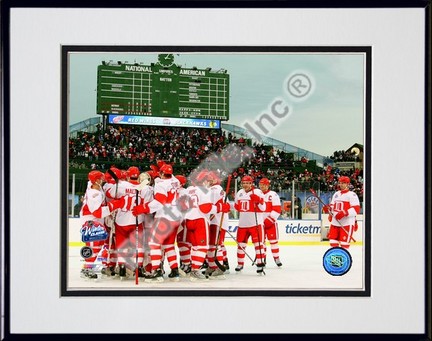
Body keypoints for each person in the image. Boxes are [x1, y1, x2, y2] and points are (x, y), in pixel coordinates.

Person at [132, 163, 182, 282]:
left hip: (164, 217)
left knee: (154, 244)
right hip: (175, 217)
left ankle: (156, 270)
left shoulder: (160, 185)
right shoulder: (176, 181)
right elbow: (169, 176)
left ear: (161, 174)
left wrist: (143, 208)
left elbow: (159, 202)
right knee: (169, 245)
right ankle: (174, 270)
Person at [79, 170, 130, 279]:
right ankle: (86, 269)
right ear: (96, 180)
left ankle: (88, 267)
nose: (103, 180)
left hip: (95, 221)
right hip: (91, 221)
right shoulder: (95, 194)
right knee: (94, 246)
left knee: (98, 244)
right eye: (101, 178)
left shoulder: (94, 186)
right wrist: (113, 205)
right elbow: (97, 212)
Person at [233, 175, 266, 274]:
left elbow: (263, 208)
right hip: (242, 224)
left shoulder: (258, 192)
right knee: (241, 245)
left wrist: (258, 201)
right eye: (244, 183)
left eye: (247, 183)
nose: (245, 185)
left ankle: (260, 264)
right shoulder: (239, 193)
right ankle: (240, 264)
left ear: (251, 183)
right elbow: (237, 207)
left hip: (255, 224)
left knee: (258, 244)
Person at [323, 176, 360, 249]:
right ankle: (334, 259)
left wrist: (344, 213)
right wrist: (329, 208)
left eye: (343, 183)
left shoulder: (352, 195)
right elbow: (333, 206)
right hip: (335, 223)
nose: (341, 184)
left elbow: (356, 209)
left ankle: (343, 259)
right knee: (333, 243)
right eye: (340, 183)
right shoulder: (336, 194)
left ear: (347, 184)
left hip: (346, 223)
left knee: (344, 245)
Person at [258, 177, 282, 267]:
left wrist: (269, 220)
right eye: (260, 185)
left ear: (268, 185)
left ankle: (276, 258)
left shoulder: (273, 194)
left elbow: (277, 209)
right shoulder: (258, 194)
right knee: (261, 242)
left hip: (271, 223)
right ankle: (262, 259)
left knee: (273, 241)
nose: (262, 187)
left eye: (264, 185)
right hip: (260, 223)